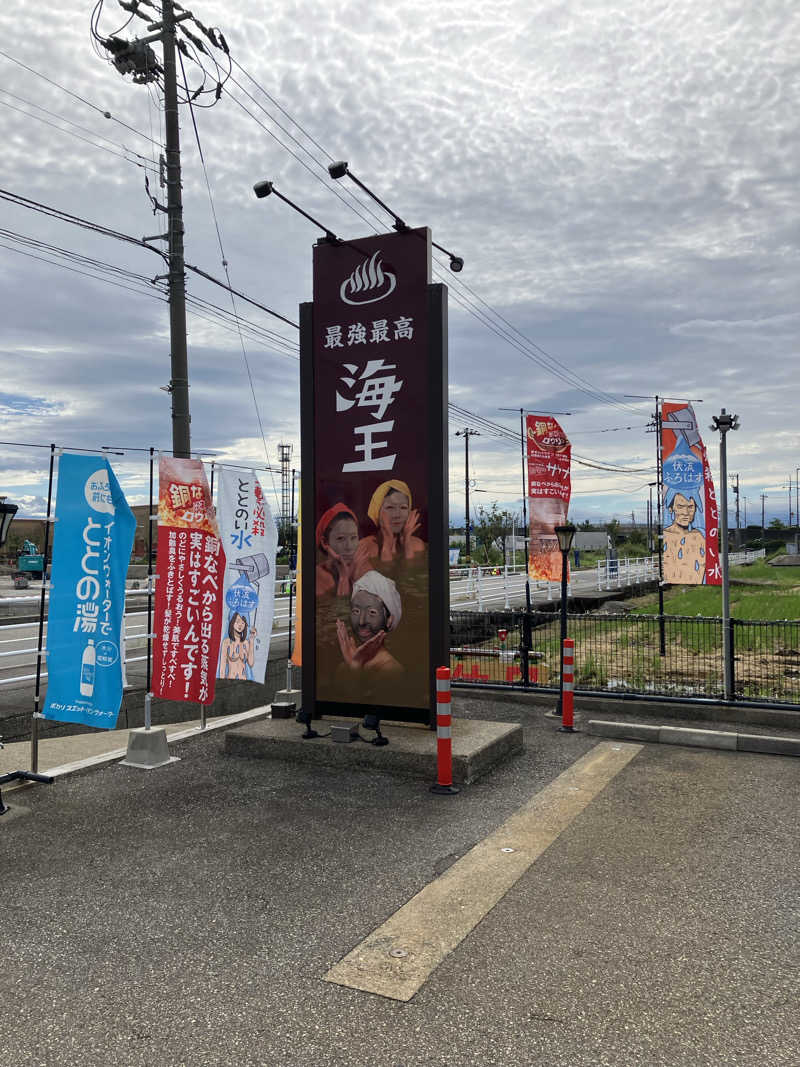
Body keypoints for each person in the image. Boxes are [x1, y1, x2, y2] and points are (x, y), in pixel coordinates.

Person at [335, 569, 402, 674]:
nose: (361, 621)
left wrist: (355, 666)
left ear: (389, 620)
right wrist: (354, 664)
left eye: (372, 612)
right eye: (356, 611)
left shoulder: (392, 671)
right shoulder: (344, 666)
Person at [357, 479, 424, 566]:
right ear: (377, 511)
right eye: (390, 507)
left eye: (403, 507)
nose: (397, 515)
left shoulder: (417, 546)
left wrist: (407, 543)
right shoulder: (364, 549)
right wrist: (386, 545)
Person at [662, 488, 706, 582]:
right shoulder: (665, 536)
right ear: (671, 509)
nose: (686, 513)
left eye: (690, 507)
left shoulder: (701, 537)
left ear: (695, 509)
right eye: (680, 506)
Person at [316, 503, 360, 597]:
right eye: (340, 538)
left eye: (353, 538)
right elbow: (340, 611)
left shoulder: (362, 570)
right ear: (325, 542)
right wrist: (343, 577)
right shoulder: (317, 578)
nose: (349, 547)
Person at [218, 612, 257, 680]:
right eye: (237, 621)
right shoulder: (226, 642)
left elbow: (251, 663)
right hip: (230, 680)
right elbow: (222, 668)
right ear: (232, 622)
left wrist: (252, 641)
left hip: (244, 679)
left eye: (243, 623)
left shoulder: (246, 643)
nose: (240, 625)